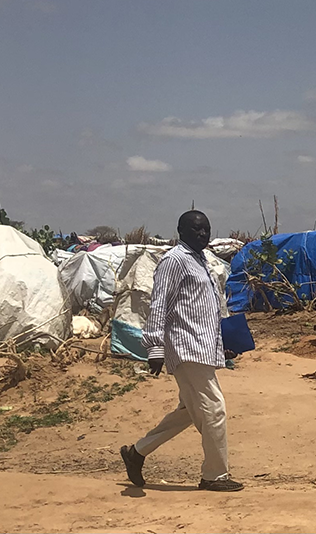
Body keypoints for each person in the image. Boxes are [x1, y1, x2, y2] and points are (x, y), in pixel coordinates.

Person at [120, 210, 243, 492]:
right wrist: (155, 346)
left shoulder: (201, 261)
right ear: (181, 231)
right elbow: (159, 303)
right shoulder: (174, 260)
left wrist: (223, 344)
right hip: (186, 347)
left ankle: (137, 453)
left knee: (189, 411)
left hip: (203, 346)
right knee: (214, 409)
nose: (202, 234)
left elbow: (203, 308)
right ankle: (214, 475)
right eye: (195, 229)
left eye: (206, 229)